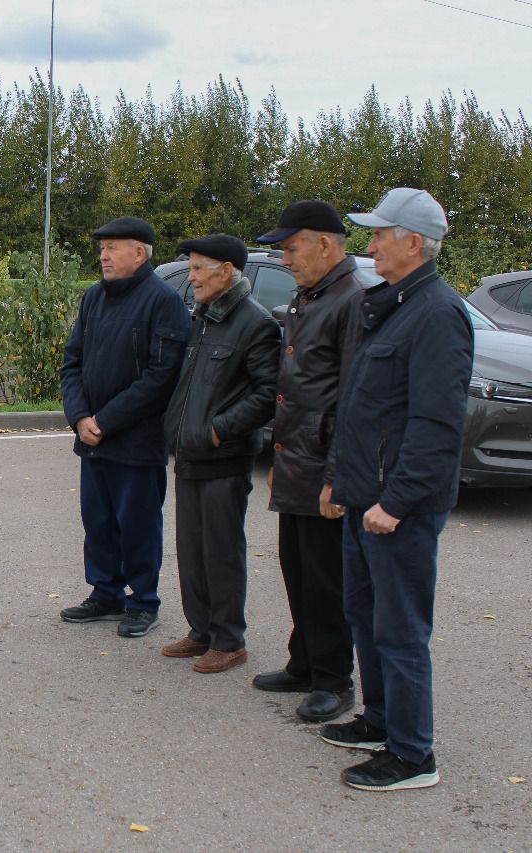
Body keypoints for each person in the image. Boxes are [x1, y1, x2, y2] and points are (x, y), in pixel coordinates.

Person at [323, 188, 473, 792]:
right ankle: (381, 721)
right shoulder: (389, 306)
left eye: (380, 235)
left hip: (397, 508)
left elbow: (437, 427)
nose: (370, 244)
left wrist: (395, 502)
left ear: (414, 243)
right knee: (365, 615)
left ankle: (413, 756)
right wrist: (342, 479)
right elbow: (362, 408)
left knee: (401, 629)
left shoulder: (437, 313)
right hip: (367, 498)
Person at [252, 201, 362, 721]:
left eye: (292, 248)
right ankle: (304, 663)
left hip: (324, 466)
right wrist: (279, 453)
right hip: (298, 458)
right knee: (297, 570)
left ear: (324, 244)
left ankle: (334, 680)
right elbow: (294, 389)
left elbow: (353, 399)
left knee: (326, 579)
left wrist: (336, 477)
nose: (286, 259)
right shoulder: (311, 296)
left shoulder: (351, 299)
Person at [59, 216, 189, 637]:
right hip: (92, 438)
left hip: (136, 440)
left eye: (113, 247)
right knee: (97, 520)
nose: (103, 255)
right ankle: (106, 593)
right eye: (102, 247)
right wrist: (80, 417)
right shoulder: (94, 298)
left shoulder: (162, 301)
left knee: (137, 523)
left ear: (139, 252)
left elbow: (160, 376)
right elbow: (72, 362)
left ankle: (143, 601)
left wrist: (106, 420)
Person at [160, 235, 280, 673]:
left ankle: (229, 639)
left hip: (222, 457)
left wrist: (216, 432)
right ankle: (202, 631)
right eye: (189, 268)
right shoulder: (203, 317)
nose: (190, 278)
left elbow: (267, 394)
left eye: (197, 268)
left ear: (226, 270)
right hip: (189, 452)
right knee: (191, 548)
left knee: (221, 549)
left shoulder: (256, 323)